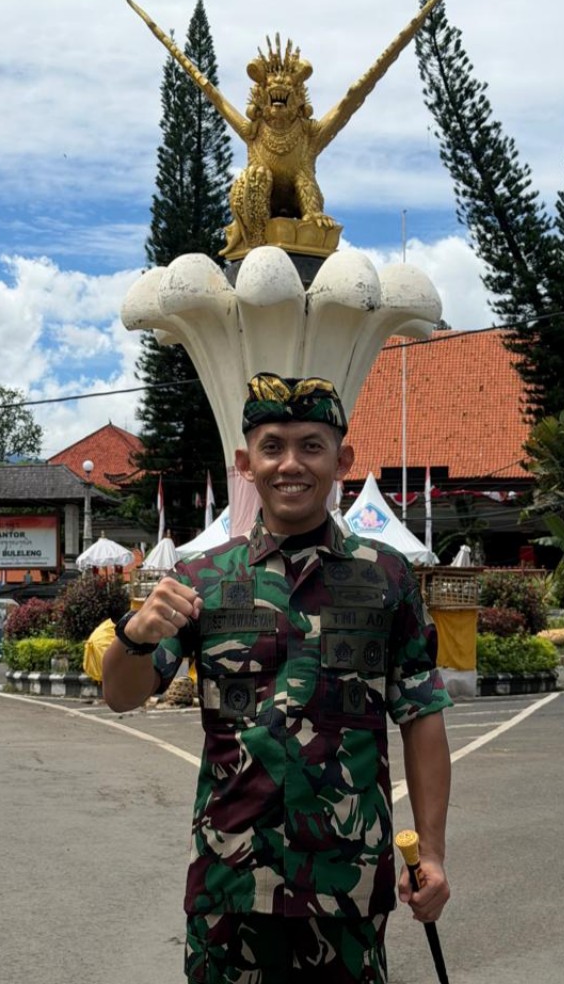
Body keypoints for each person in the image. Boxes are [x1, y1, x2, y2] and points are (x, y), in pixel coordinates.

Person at [103, 372, 452, 984]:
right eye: (272, 447)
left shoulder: (387, 578)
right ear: (246, 464)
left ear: (343, 460)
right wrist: (136, 634)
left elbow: (421, 718)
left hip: (345, 885)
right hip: (230, 881)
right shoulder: (201, 579)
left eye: (311, 446)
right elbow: (120, 696)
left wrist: (433, 853)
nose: (291, 464)